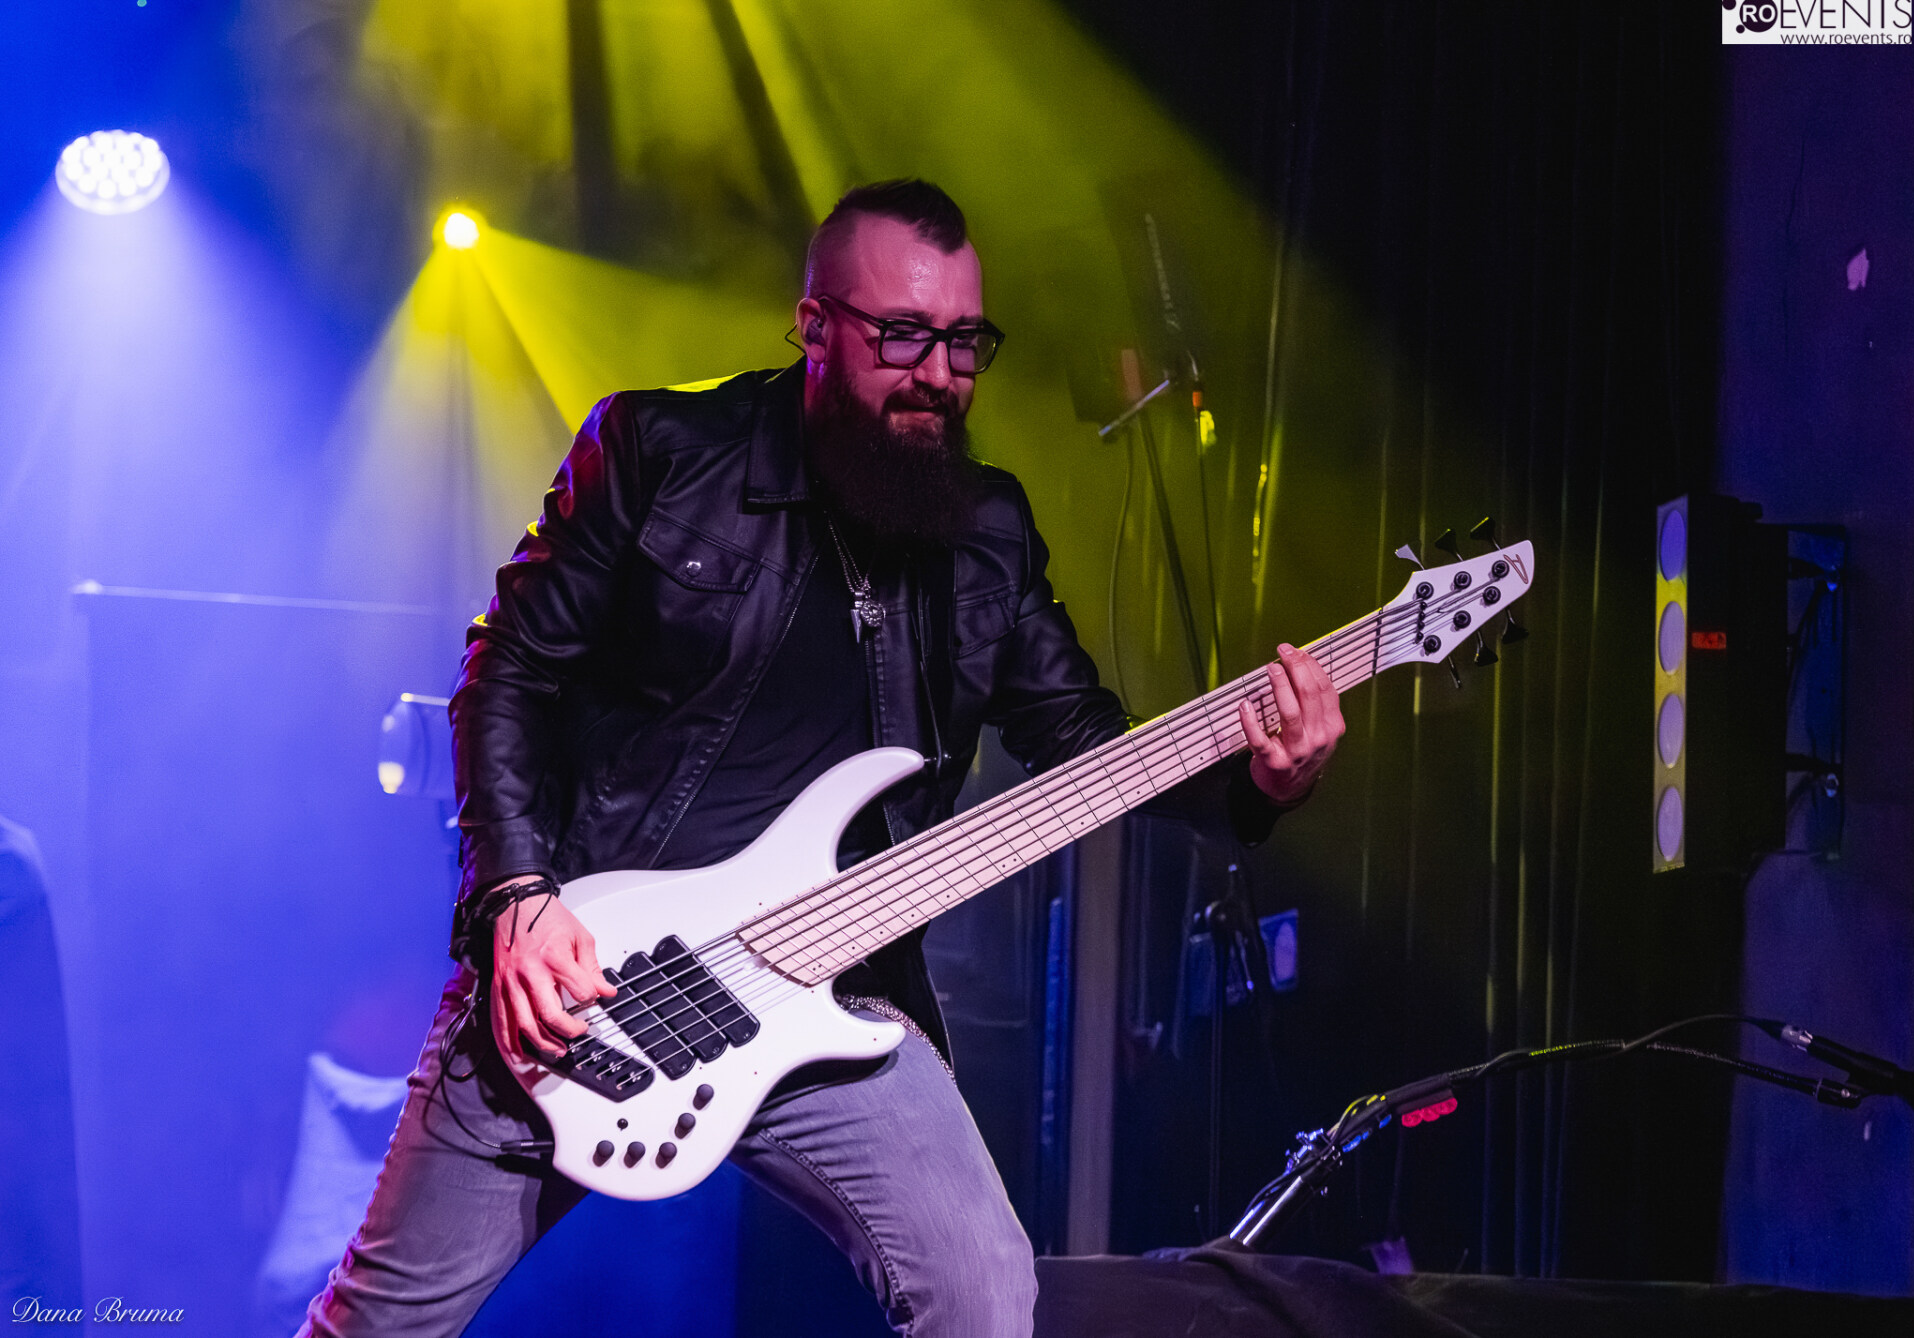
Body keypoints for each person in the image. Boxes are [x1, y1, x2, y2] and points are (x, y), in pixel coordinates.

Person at [299, 179, 1344, 1338]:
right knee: (376, 1326)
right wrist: (517, 899)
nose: (937, 373)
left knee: (984, 1293)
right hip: (594, 978)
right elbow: (509, 669)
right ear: (814, 327)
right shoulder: (660, 451)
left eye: (964, 343)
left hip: (835, 986)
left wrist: (1259, 780)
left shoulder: (987, 531)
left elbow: (1082, 743)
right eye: (902, 335)